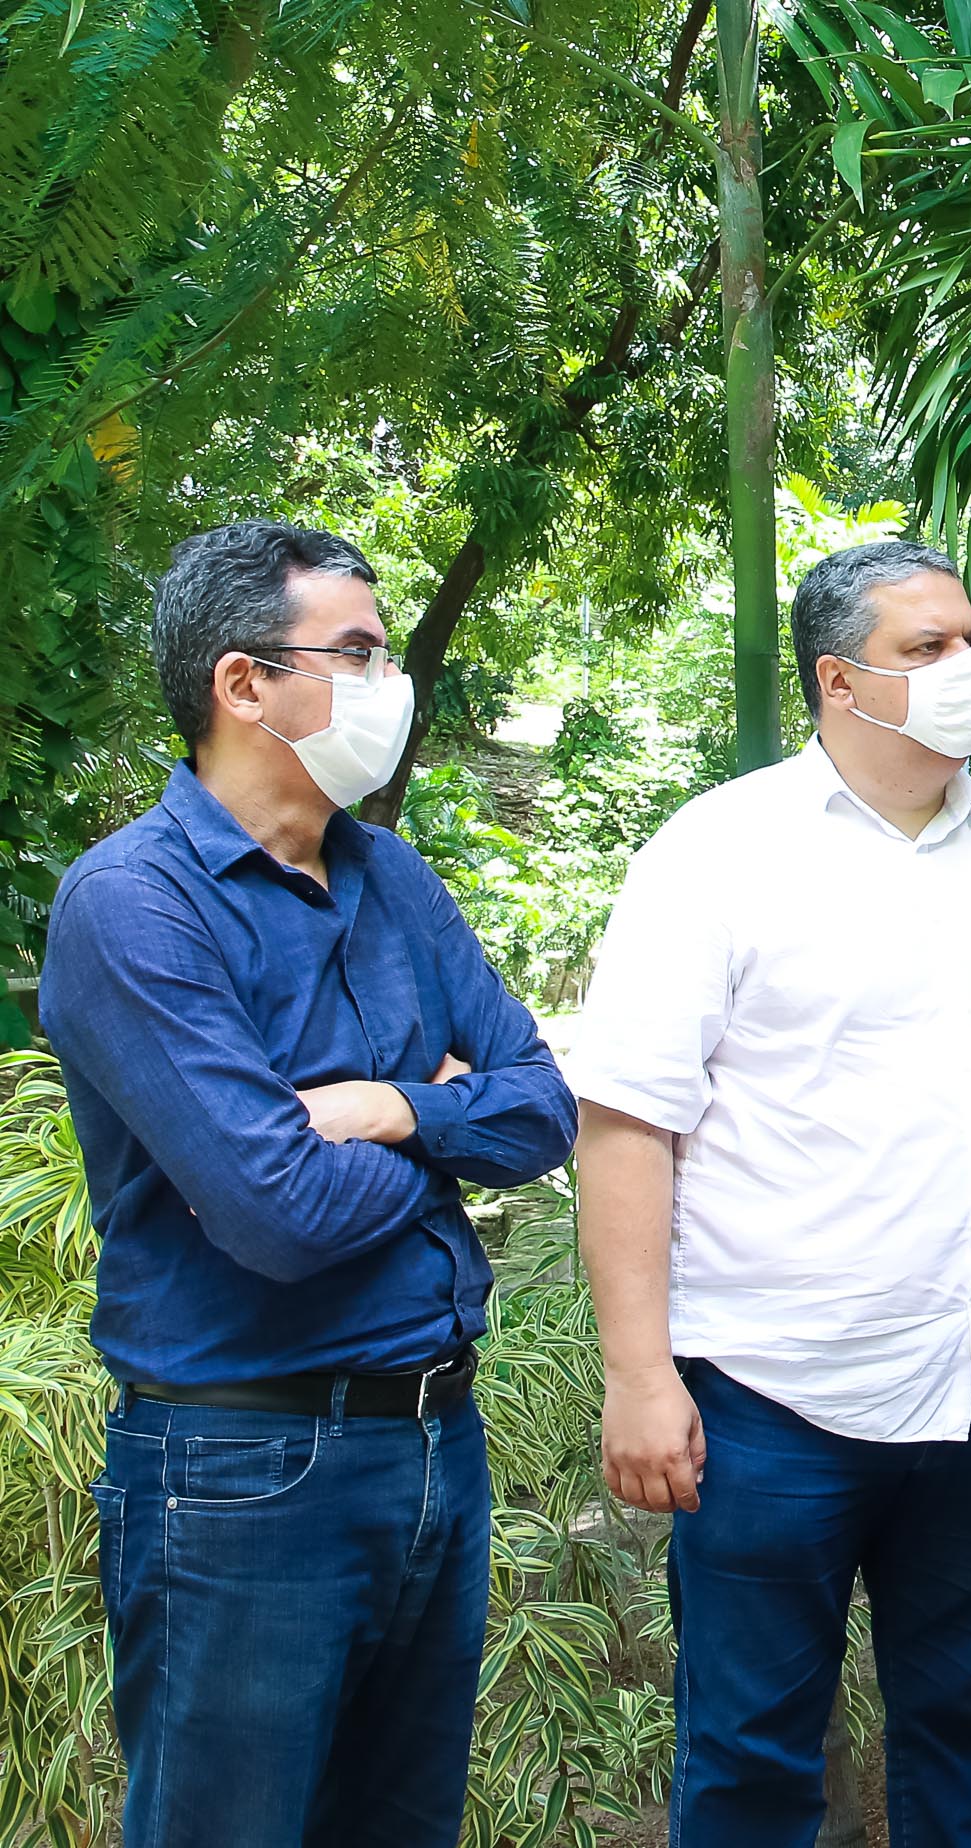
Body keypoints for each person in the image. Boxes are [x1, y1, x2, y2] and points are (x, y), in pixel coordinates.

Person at [568, 539, 971, 1847]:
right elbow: (623, 1124)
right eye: (928, 648)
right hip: (775, 1404)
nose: (968, 669)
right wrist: (638, 1374)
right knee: (752, 1756)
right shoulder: (718, 853)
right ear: (839, 678)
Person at [40, 521, 577, 1847]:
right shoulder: (133, 908)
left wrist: (393, 1108)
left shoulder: (388, 875)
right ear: (242, 685)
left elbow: (547, 1108)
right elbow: (280, 1212)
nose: (392, 686)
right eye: (357, 654)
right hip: (242, 1469)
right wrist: (452, 1143)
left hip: (435, 1446)